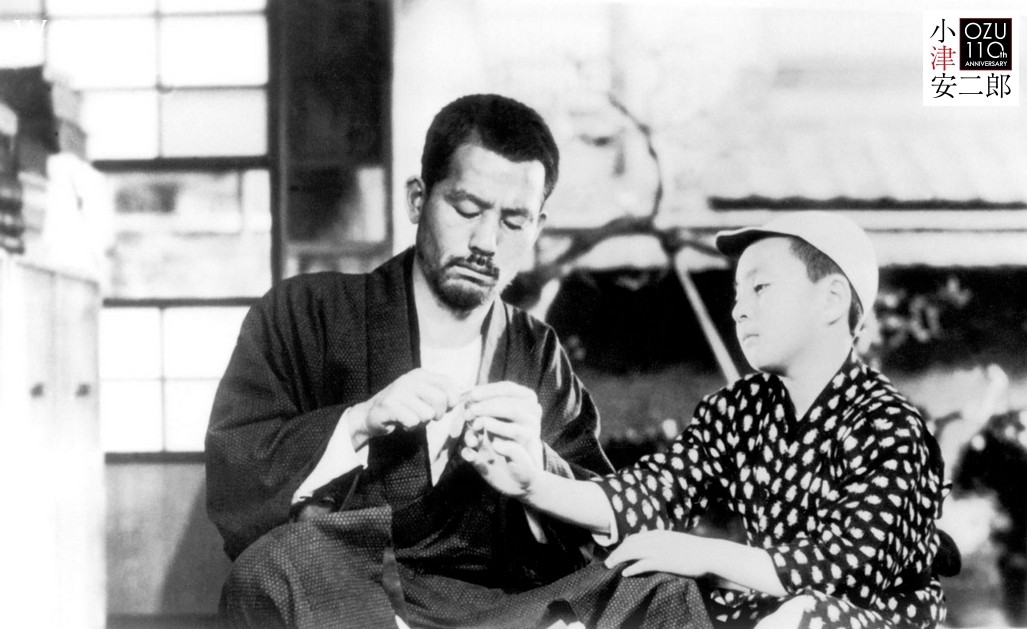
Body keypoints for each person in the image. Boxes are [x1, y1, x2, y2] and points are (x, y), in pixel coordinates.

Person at [206, 94, 711, 628]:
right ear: (417, 200)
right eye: (467, 210)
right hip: (355, 595)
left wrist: (537, 469)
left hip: (500, 609)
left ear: (538, 228)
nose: (486, 242)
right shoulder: (306, 314)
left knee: (662, 590)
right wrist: (357, 423)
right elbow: (239, 474)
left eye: (514, 221)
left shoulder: (536, 352)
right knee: (275, 567)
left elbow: (597, 521)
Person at [463, 211, 949, 628]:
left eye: (761, 287)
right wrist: (534, 485)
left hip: (867, 619)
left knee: (804, 616)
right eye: (738, 293)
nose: (739, 310)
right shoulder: (741, 408)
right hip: (766, 610)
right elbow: (651, 494)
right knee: (643, 585)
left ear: (832, 300)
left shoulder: (890, 427)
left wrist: (703, 554)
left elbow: (847, 571)